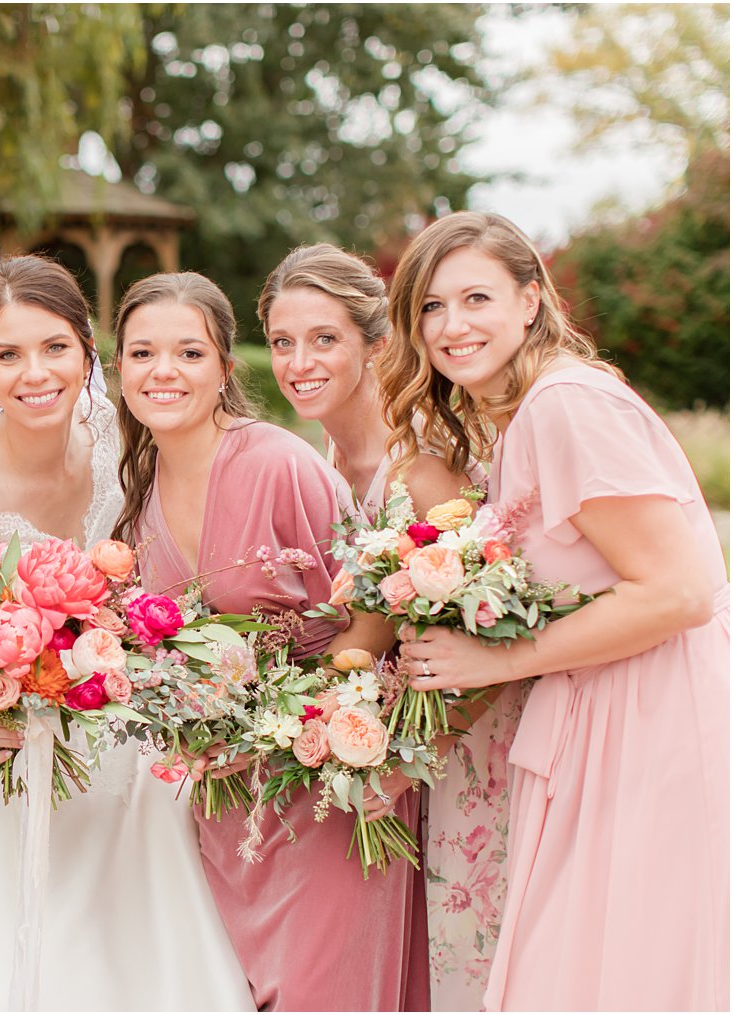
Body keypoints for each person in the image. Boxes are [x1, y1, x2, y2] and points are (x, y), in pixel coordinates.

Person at [0, 254, 255, 1011]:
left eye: (54, 347)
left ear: (88, 352)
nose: (34, 373)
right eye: (7, 355)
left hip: (115, 731)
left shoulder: (126, 449)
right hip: (0, 754)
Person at [387, 211, 729, 1011]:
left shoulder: (566, 405)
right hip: (602, 713)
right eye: (431, 307)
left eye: (476, 297)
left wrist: (498, 659)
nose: (451, 324)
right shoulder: (524, 418)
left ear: (531, 300)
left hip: (652, 719)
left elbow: (678, 590)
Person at [118, 270, 428, 1010]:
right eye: (141, 353)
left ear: (227, 368)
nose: (163, 371)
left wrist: (305, 725)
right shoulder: (140, 489)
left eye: (189, 353)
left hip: (323, 792)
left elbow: (374, 604)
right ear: (119, 369)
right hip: (226, 808)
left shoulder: (277, 464)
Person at [258, 243, 513, 1008]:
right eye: (281, 342)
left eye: (324, 338)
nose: (298, 362)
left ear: (377, 344)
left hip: (450, 753)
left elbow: (489, 637)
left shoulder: (422, 467)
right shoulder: (321, 454)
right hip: (380, 754)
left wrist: (406, 752)